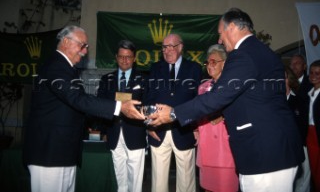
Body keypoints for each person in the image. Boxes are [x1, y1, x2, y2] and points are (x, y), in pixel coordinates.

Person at [148, 8, 305, 192]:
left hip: (265, 152)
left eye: (220, 34)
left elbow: (218, 97)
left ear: (232, 27)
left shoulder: (245, 54)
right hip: (270, 149)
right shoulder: (259, 51)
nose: (219, 40)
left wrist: (174, 113)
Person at [22, 26, 144, 192]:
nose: (85, 51)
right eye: (82, 45)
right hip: (50, 153)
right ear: (66, 42)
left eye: (86, 47)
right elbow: (77, 99)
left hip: (62, 151)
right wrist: (119, 107)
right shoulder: (56, 67)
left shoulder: (67, 68)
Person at [143, 33, 202, 192]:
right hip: (158, 131)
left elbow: (198, 101)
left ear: (180, 47)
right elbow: (148, 98)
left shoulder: (194, 68)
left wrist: (197, 127)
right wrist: (149, 125)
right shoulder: (155, 68)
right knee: (158, 182)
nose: (167, 51)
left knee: (186, 181)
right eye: (164, 47)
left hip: (184, 129)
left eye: (171, 47)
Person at [96, 40, 146, 192]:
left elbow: (148, 105)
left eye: (128, 57)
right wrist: (104, 131)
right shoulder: (106, 79)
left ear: (134, 58)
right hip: (113, 133)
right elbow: (100, 106)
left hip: (136, 134)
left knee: (135, 181)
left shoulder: (144, 79)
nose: (125, 60)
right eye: (121, 56)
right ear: (116, 57)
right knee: (119, 180)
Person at [195, 44, 238, 192]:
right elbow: (198, 113)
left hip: (225, 149)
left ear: (225, 63)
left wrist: (224, 115)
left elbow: (243, 111)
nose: (209, 65)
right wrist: (194, 128)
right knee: (207, 188)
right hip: (206, 147)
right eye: (207, 62)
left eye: (214, 61)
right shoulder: (202, 87)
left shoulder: (233, 86)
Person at [285, 66, 311, 192]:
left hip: (300, 146)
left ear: (289, 80)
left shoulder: (300, 101)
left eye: (282, 78)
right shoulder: (272, 103)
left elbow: (303, 126)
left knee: (303, 182)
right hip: (281, 149)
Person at [306, 60, 320, 192]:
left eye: (317, 73)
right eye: (311, 73)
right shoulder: (307, 93)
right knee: (313, 167)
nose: (313, 76)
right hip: (309, 134)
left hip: (317, 133)